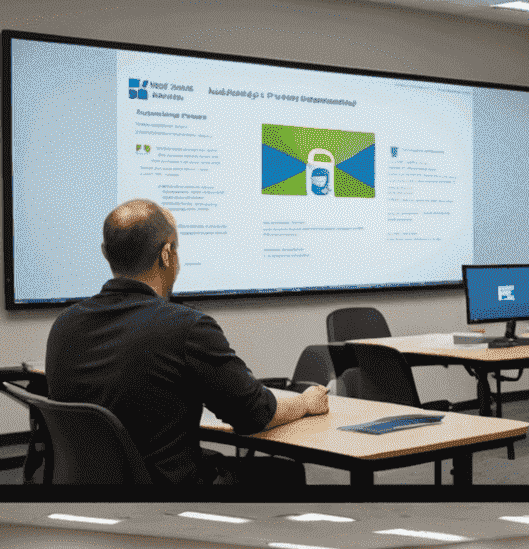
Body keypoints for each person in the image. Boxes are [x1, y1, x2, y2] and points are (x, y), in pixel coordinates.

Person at [44, 200, 329, 489]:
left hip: (86, 484)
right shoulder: (186, 327)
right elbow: (253, 414)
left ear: (106, 253)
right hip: (167, 486)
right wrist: (306, 402)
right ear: (166, 255)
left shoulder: (64, 325)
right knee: (282, 473)